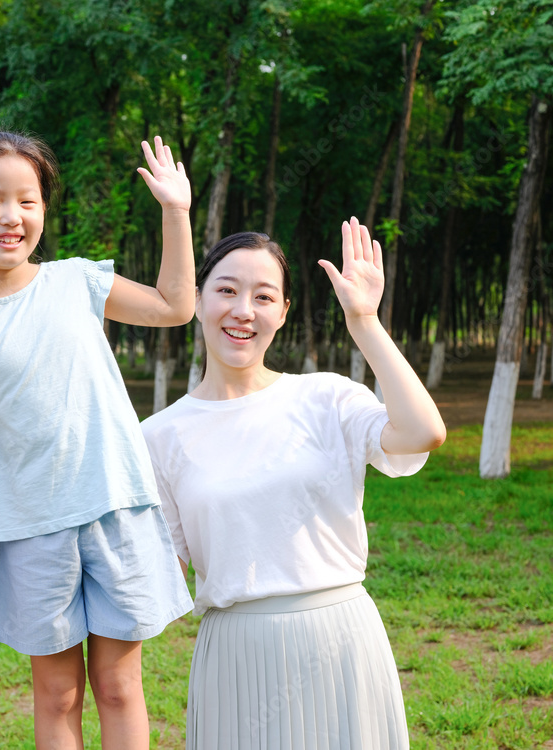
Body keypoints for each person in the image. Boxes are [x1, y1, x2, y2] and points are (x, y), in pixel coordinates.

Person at [0, 131, 195, 750]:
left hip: (115, 509)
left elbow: (176, 306)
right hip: (30, 530)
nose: (12, 216)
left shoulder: (78, 281)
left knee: (121, 687)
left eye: (29, 199)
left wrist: (175, 213)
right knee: (58, 693)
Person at [140, 219, 447, 749]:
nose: (243, 311)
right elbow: (158, 570)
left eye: (264, 296)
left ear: (283, 313)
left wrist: (366, 322)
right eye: (227, 290)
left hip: (342, 642)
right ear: (197, 299)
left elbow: (423, 432)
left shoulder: (326, 398)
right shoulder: (158, 435)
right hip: (235, 655)